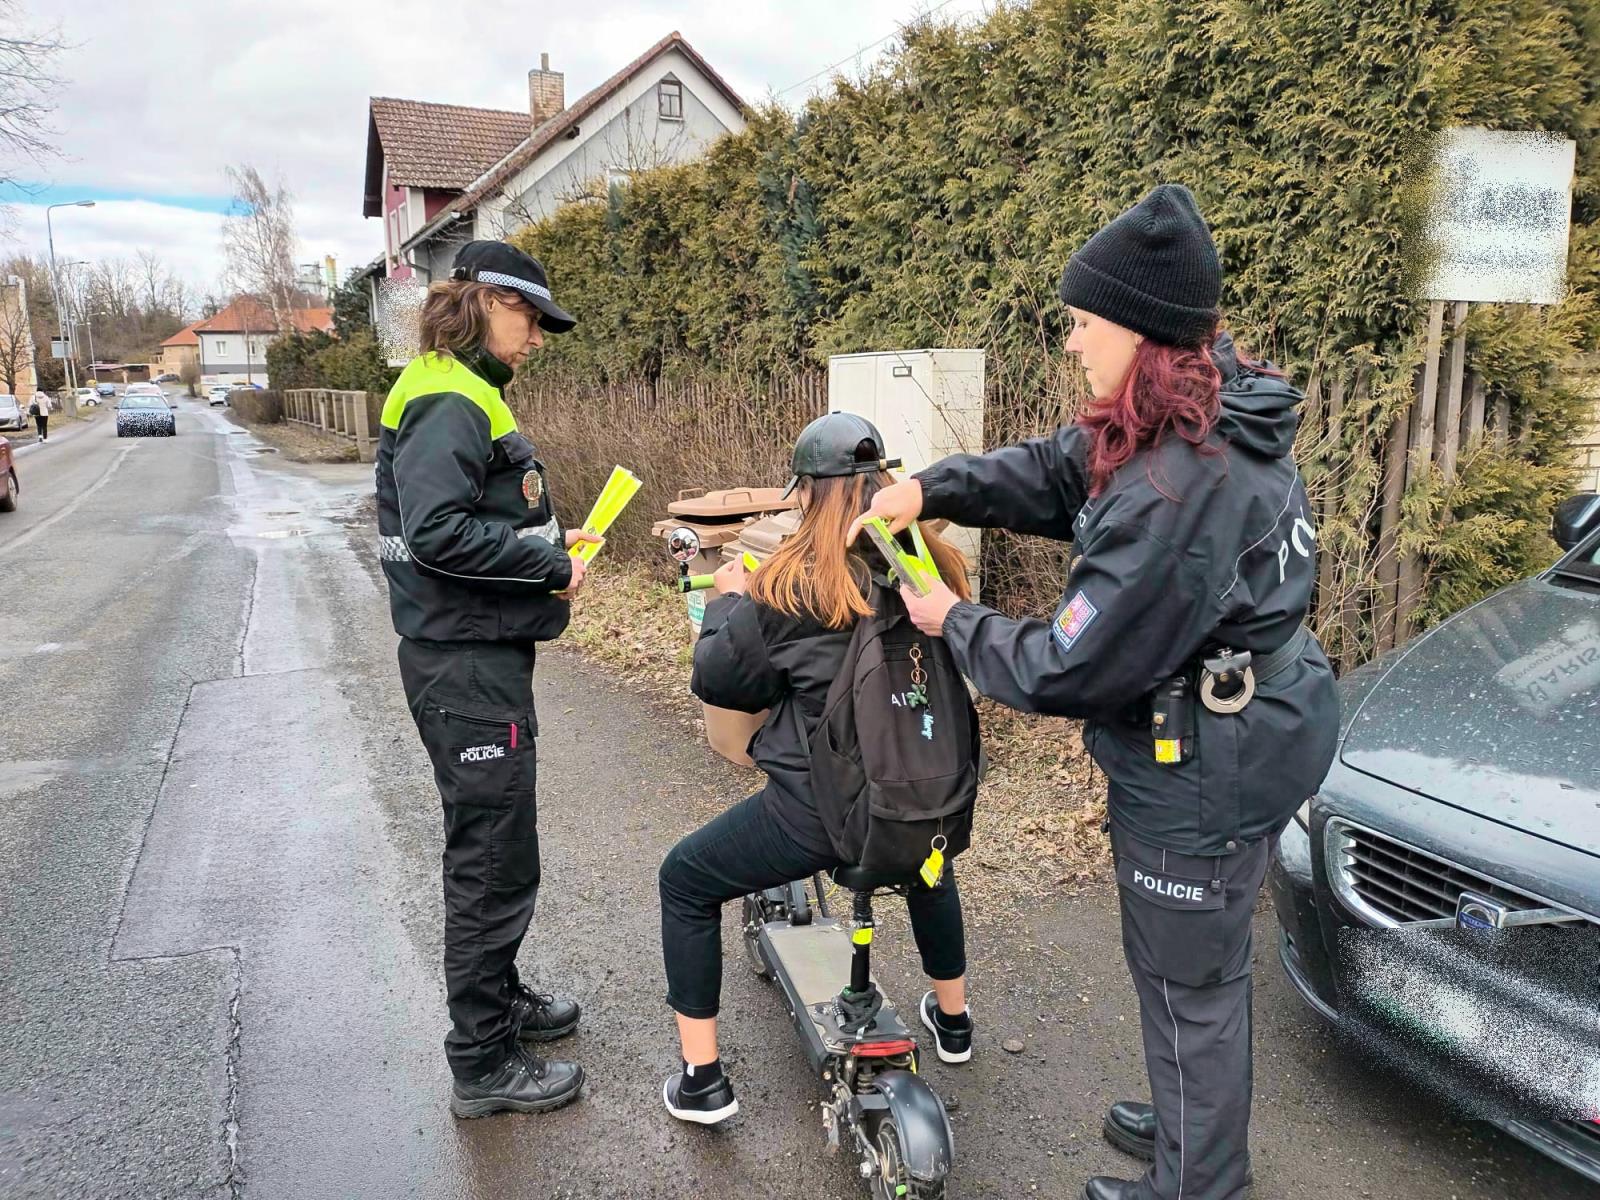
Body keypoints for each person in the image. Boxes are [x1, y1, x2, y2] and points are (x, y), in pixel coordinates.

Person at [852, 184, 1340, 1200]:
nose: (1070, 343)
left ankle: (1195, 1181)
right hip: (1255, 724)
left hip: (1207, 758)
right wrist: (933, 487)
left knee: (1189, 980)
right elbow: (1055, 469)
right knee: (1189, 965)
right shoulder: (1189, 409)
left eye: (1081, 324)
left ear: (1140, 332)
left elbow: (1068, 667)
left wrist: (952, 620)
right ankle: (1183, 1123)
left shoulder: (1176, 491)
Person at [657, 413, 978, 1125]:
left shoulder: (786, 586)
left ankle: (702, 1082)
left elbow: (722, 682)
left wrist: (724, 603)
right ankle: (952, 1024)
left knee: (683, 880)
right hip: (926, 796)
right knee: (926, 861)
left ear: (805, 494)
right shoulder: (935, 566)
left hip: (821, 815)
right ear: (883, 481)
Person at [376, 240, 599, 1119]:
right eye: (531, 318)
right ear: (483, 303)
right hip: (462, 662)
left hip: (475, 654)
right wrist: (545, 567)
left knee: (504, 847)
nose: (538, 337)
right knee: (490, 859)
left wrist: (546, 547)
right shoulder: (445, 395)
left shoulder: (456, 389)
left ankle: (499, 1002)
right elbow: (438, 534)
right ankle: (482, 1060)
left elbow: (473, 522)